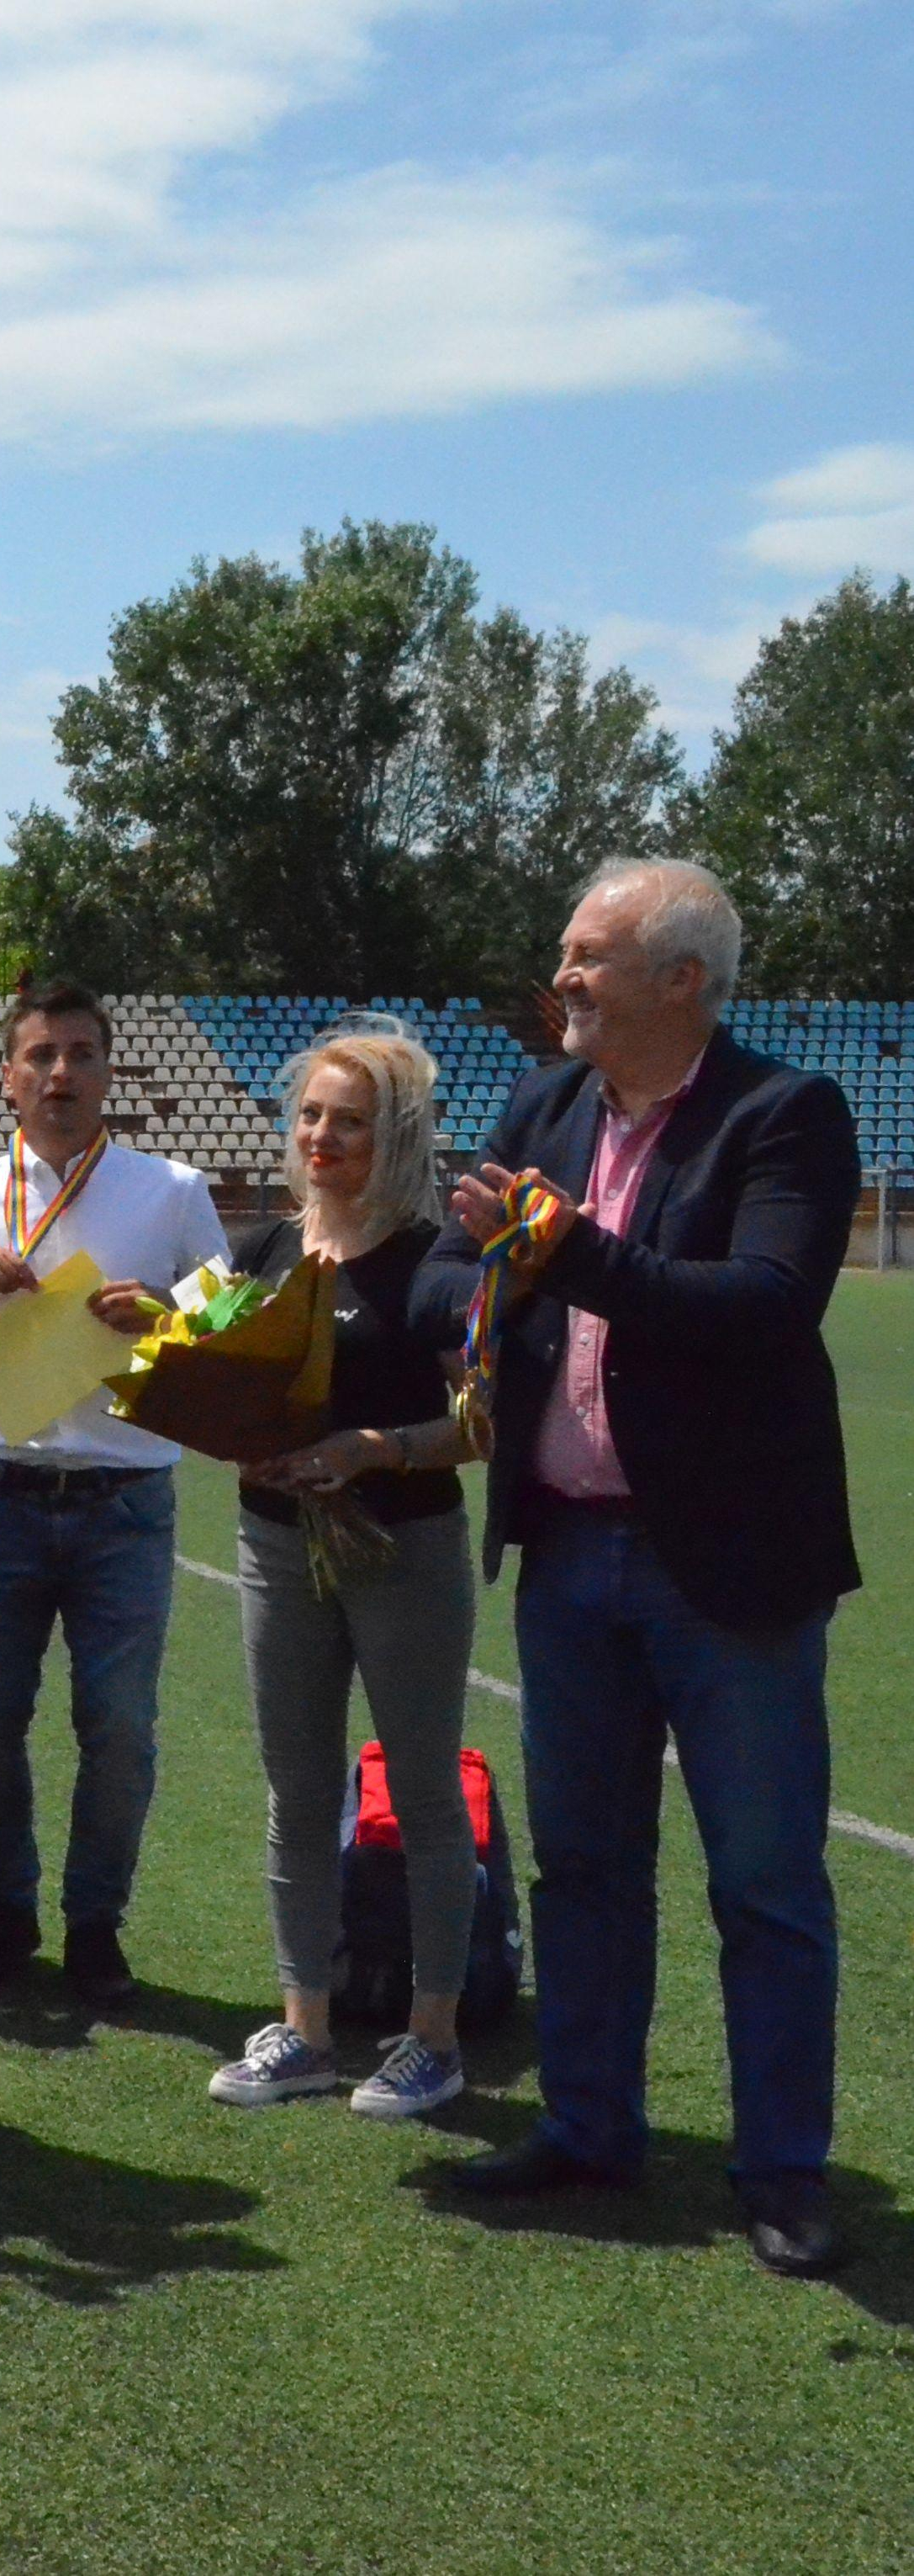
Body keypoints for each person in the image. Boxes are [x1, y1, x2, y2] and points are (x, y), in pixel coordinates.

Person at [407, 861, 860, 2277]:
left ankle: (781, 2170)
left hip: (723, 1566)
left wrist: (562, 1252)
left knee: (765, 1884)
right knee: (582, 1866)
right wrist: (488, 1279)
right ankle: (588, 2127)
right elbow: (440, 1272)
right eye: (562, 958)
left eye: (588, 958)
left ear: (683, 978)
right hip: (568, 1549)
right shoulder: (542, 1104)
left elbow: (762, 1309)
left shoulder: (783, 1114)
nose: (563, 982)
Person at [0, 983, 228, 2006]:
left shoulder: (172, 1188)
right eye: (40, 1053)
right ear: (7, 1073)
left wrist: (163, 1315)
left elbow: (228, 1328)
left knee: (119, 1726)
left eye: (81, 1053)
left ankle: (95, 1921)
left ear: (109, 1071)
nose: (60, 1072)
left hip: (123, 1499)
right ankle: (4, 1904)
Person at [203, 1025, 485, 2123]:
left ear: (398, 1135)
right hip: (274, 1541)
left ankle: (434, 2034)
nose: (320, 1136)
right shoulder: (263, 1249)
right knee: (298, 1787)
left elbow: (480, 1421)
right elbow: (211, 1383)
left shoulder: (430, 1260)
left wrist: (375, 1448)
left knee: (421, 1793)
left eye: (349, 1120)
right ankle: (305, 2027)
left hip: (403, 1546)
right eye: (311, 1115)